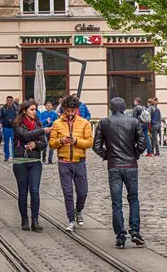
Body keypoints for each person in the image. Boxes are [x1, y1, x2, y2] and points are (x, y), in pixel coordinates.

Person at [93, 97, 147, 249]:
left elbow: (96, 145)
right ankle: (135, 231)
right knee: (134, 199)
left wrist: (107, 155)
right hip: (130, 165)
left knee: (116, 203)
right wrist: (135, 154)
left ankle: (120, 236)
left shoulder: (104, 122)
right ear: (124, 107)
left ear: (110, 108)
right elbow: (142, 143)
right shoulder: (133, 122)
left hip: (114, 166)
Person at [49, 95, 93, 232]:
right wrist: (60, 141)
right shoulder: (57, 123)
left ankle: (79, 210)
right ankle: (71, 219)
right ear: (64, 109)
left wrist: (76, 142)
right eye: (67, 110)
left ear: (76, 110)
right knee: (67, 192)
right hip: (64, 162)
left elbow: (90, 142)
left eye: (72, 111)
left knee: (82, 192)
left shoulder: (84, 123)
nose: (70, 113)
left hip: (79, 162)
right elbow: (51, 144)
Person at [11, 99, 49, 232]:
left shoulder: (38, 124)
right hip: (20, 162)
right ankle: (24, 220)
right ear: (24, 111)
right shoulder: (17, 124)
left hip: (35, 162)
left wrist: (35, 144)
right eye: (32, 109)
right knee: (23, 192)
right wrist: (42, 131)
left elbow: (43, 144)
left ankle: (35, 220)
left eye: (35, 110)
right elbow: (24, 135)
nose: (34, 112)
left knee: (34, 191)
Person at [39, 100, 59, 164]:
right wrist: (46, 121)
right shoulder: (42, 114)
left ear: (52, 106)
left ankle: (50, 160)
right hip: (45, 131)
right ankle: (44, 157)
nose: (48, 106)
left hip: (52, 131)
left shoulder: (54, 114)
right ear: (45, 106)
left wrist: (51, 122)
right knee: (45, 145)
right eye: (47, 105)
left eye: (50, 105)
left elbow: (57, 122)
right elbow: (40, 123)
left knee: (51, 146)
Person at [0, 96, 18, 161]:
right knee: (6, 143)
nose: (9, 102)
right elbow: (0, 117)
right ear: (6, 101)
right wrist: (1, 123)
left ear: (12, 101)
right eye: (8, 100)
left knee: (14, 143)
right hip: (6, 127)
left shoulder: (16, 108)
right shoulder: (3, 109)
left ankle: (14, 156)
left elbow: (18, 117)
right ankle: (6, 156)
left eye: (10, 100)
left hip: (14, 128)